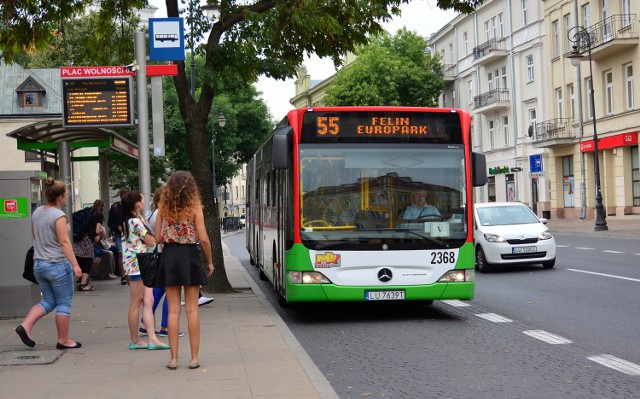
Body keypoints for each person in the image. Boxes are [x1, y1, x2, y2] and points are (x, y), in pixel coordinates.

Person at [154, 171, 214, 370]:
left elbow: (157, 238)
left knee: (173, 310)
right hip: (189, 257)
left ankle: (173, 359)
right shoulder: (195, 207)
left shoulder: (163, 207)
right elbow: (204, 238)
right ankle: (194, 358)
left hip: (170, 257)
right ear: (191, 188)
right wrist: (210, 262)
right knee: (192, 310)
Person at [15, 177, 83, 349]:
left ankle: (26, 326)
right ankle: (64, 340)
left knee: (49, 300)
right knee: (63, 302)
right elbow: (64, 242)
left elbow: (37, 235)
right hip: (57, 265)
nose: (66, 197)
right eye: (65, 195)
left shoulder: (37, 212)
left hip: (39, 264)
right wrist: (75, 264)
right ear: (59, 197)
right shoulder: (59, 215)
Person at [121, 190, 170, 351]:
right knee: (137, 302)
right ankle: (136, 340)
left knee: (147, 301)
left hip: (136, 265)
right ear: (137, 204)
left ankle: (152, 338)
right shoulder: (135, 221)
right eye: (142, 200)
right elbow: (151, 241)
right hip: (138, 265)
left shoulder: (130, 220)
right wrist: (148, 227)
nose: (144, 202)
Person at [137, 186, 184, 338]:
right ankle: (166, 326)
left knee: (158, 291)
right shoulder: (161, 213)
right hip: (166, 255)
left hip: (159, 256)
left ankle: (145, 323)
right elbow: (162, 236)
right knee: (171, 292)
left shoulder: (153, 213)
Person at [73, 200, 105, 291]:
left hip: (78, 237)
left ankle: (76, 280)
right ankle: (83, 284)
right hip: (87, 239)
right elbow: (97, 231)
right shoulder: (99, 215)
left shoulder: (87, 211)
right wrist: (101, 232)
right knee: (88, 260)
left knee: (78, 258)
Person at [108, 189, 128, 284]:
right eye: (124, 196)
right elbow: (110, 223)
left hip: (128, 234)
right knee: (120, 253)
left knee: (127, 254)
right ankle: (123, 275)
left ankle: (128, 274)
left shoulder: (130, 207)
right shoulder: (115, 207)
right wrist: (117, 227)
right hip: (119, 234)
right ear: (121, 196)